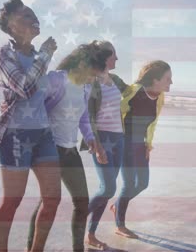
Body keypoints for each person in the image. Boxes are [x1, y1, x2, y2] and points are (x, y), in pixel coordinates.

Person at [25, 42, 113, 252]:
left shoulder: (85, 85)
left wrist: (91, 137)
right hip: (47, 150)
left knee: (81, 203)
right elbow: (31, 102)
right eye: (94, 73)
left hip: (69, 150)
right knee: (48, 203)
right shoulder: (57, 79)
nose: (95, 78)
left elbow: (82, 116)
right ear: (83, 65)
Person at [0, 0, 60, 252]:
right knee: (13, 200)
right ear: (11, 26)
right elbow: (25, 88)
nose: (33, 19)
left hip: (43, 134)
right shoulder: (5, 54)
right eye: (25, 16)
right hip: (15, 135)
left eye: (33, 14)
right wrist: (46, 54)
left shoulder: (39, 56)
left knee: (53, 199)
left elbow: (46, 94)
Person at [111, 60, 173, 239]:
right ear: (155, 80)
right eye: (168, 78)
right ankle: (120, 225)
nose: (171, 83)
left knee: (143, 183)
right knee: (129, 184)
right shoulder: (135, 91)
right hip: (124, 143)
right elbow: (116, 111)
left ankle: (117, 205)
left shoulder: (160, 96)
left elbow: (152, 123)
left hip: (140, 144)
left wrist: (148, 144)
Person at [84, 40, 128, 249]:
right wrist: (97, 145)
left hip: (119, 138)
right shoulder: (91, 82)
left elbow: (135, 94)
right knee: (108, 187)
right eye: (113, 54)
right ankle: (79, 214)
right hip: (102, 139)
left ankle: (90, 235)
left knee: (107, 189)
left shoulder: (116, 79)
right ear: (103, 57)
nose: (117, 58)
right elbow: (87, 115)